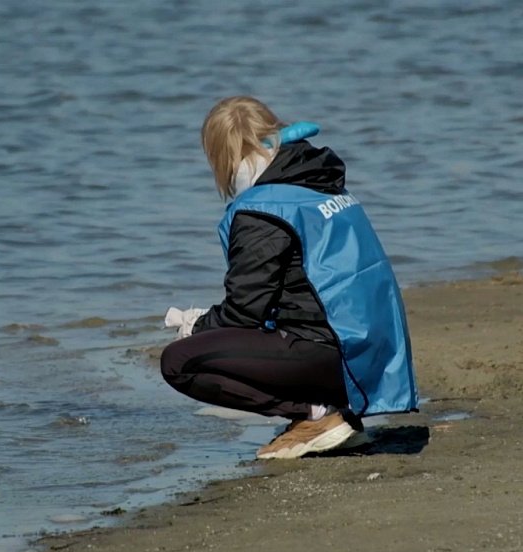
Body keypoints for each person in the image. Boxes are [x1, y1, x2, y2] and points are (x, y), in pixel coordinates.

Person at [161, 96, 418, 460]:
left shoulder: (262, 209)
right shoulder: (320, 182)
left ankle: (315, 414)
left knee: (178, 362)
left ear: (222, 157)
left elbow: (244, 313)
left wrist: (196, 325)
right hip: (376, 353)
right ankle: (329, 412)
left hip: (337, 357)